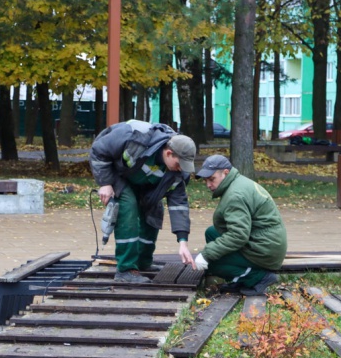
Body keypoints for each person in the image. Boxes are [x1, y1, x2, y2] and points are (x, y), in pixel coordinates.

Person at [90, 120, 197, 283]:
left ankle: (143, 262)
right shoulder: (136, 138)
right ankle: (126, 270)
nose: (181, 168)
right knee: (128, 208)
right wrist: (104, 183)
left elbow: (179, 206)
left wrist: (183, 242)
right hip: (120, 176)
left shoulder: (178, 173)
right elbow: (99, 150)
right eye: (179, 163)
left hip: (146, 185)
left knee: (154, 211)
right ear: (168, 153)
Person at [192, 155, 287, 295]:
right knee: (211, 232)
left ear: (225, 172)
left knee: (213, 264)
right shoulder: (238, 182)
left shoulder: (235, 195)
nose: (208, 185)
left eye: (212, 179)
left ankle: (259, 277)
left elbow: (238, 236)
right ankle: (241, 278)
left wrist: (206, 254)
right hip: (267, 242)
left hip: (264, 250)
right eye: (206, 181)